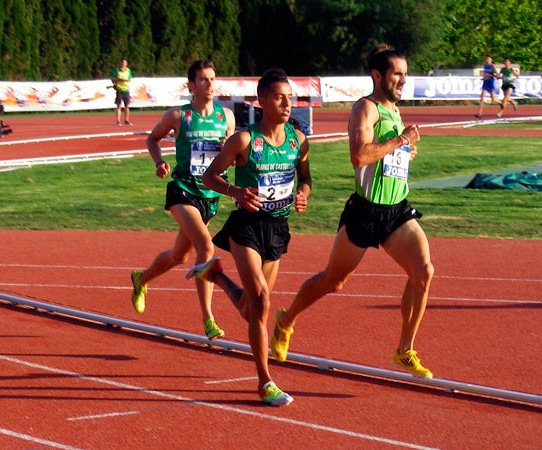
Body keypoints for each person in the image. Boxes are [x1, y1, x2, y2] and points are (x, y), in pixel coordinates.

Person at [270, 44, 435, 379]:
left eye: (405, 73)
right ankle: (285, 322)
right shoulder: (366, 108)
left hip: (396, 210)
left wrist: (404, 152)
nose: (403, 80)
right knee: (334, 280)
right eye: (397, 74)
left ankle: (404, 350)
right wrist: (400, 142)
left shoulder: (394, 109)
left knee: (424, 272)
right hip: (366, 211)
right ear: (378, 76)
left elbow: (386, 154)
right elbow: (359, 156)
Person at [186, 68, 311, 406]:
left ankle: (216, 275)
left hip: (277, 229)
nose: (287, 103)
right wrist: (235, 191)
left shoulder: (298, 139)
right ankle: (265, 382)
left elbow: (306, 175)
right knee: (262, 303)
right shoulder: (243, 140)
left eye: (289, 97)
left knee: (251, 308)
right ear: (262, 102)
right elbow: (210, 176)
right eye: (278, 97)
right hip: (246, 227)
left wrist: (303, 194)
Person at [130, 59, 235, 341]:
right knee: (206, 247)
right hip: (183, 189)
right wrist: (159, 162)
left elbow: (231, 153)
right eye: (203, 79)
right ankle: (208, 318)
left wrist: (229, 153)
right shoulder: (179, 116)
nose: (209, 84)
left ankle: (141, 279)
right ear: (191, 85)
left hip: (210, 196)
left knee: (180, 256)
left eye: (212, 79)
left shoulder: (227, 117)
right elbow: (152, 139)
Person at [475, 55, 502, 119]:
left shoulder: (492, 66)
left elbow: (497, 75)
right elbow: (485, 74)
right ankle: (479, 113)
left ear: (491, 60)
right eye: (486, 59)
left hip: (491, 83)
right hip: (485, 83)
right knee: (482, 98)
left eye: (488, 59)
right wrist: (484, 78)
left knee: (493, 99)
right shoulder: (485, 66)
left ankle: (501, 103)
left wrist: (491, 75)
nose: (486, 60)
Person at [110, 58, 133, 126]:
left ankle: (126, 120)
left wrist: (126, 80)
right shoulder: (116, 70)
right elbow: (112, 79)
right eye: (122, 62)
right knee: (119, 105)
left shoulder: (128, 70)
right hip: (119, 89)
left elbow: (129, 79)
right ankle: (118, 121)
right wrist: (118, 80)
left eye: (125, 63)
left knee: (127, 106)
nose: (123, 64)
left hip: (126, 89)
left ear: (126, 64)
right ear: (120, 63)